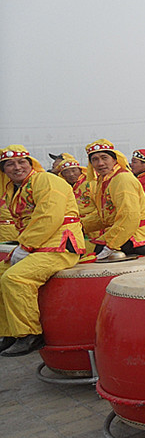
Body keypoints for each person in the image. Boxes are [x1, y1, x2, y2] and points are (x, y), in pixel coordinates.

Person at [0, 145, 85, 356]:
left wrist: (26, 246)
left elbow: (49, 216)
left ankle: (29, 334)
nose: (17, 167)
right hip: (40, 243)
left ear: (31, 163)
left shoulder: (46, 181)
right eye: (10, 164)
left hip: (60, 244)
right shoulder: (15, 188)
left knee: (16, 278)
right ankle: (9, 331)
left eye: (22, 162)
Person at [81, 140, 145, 259]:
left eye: (104, 158)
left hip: (134, 236)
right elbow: (106, 215)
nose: (100, 163)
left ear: (114, 159)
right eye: (95, 159)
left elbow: (129, 216)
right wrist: (79, 225)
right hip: (123, 232)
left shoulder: (122, 179)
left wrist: (111, 245)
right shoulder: (106, 180)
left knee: (83, 252)